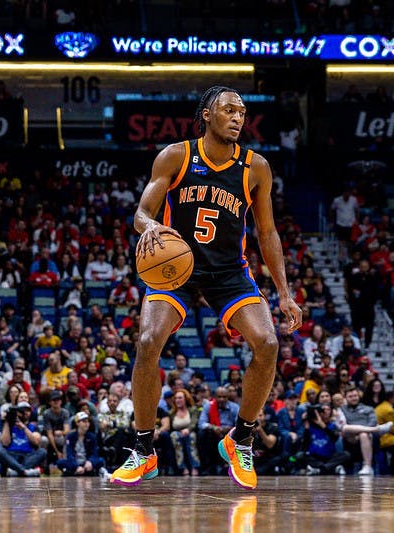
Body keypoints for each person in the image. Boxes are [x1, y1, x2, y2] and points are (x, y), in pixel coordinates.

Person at [111, 86, 302, 490]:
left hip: (229, 270)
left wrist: (284, 292)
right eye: (228, 109)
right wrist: (151, 227)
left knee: (267, 343)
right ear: (206, 115)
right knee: (147, 340)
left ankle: (241, 439)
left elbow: (267, 233)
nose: (237, 117)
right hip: (176, 269)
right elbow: (141, 212)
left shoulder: (256, 167)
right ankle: (144, 451)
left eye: (242, 111)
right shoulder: (176, 156)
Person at [0, 401, 45, 477]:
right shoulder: (9, 425)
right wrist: (7, 421)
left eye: (28, 410)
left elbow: (36, 442)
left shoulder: (33, 427)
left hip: (28, 456)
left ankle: (17, 471)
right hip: (12, 455)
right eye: (22, 410)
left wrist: (24, 428)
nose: (25, 413)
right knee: (1, 453)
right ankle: (24, 471)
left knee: (42, 451)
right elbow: (4, 443)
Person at [57, 411, 105, 476]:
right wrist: (76, 466)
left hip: (86, 462)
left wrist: (90, 461)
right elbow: (69, 454)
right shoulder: (70, 436)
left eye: (88, 422)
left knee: (101, 460)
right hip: (75, 462)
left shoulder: (92, 436)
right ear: (77, 423)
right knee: (60, 462)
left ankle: (80, 471)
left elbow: (94, 453)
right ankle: (77, 470)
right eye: (84, 421)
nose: (87, 424)